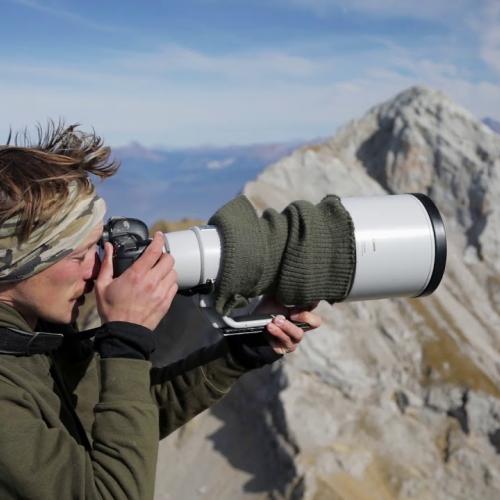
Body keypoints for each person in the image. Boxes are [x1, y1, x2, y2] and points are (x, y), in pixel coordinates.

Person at [0, 122, 321, 499]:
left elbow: (123, 422)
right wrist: (126, 339)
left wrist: (241, 351)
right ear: (15, 264)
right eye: (80, 255)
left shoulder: (31, 339)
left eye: (97, 245)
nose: (98, 268)